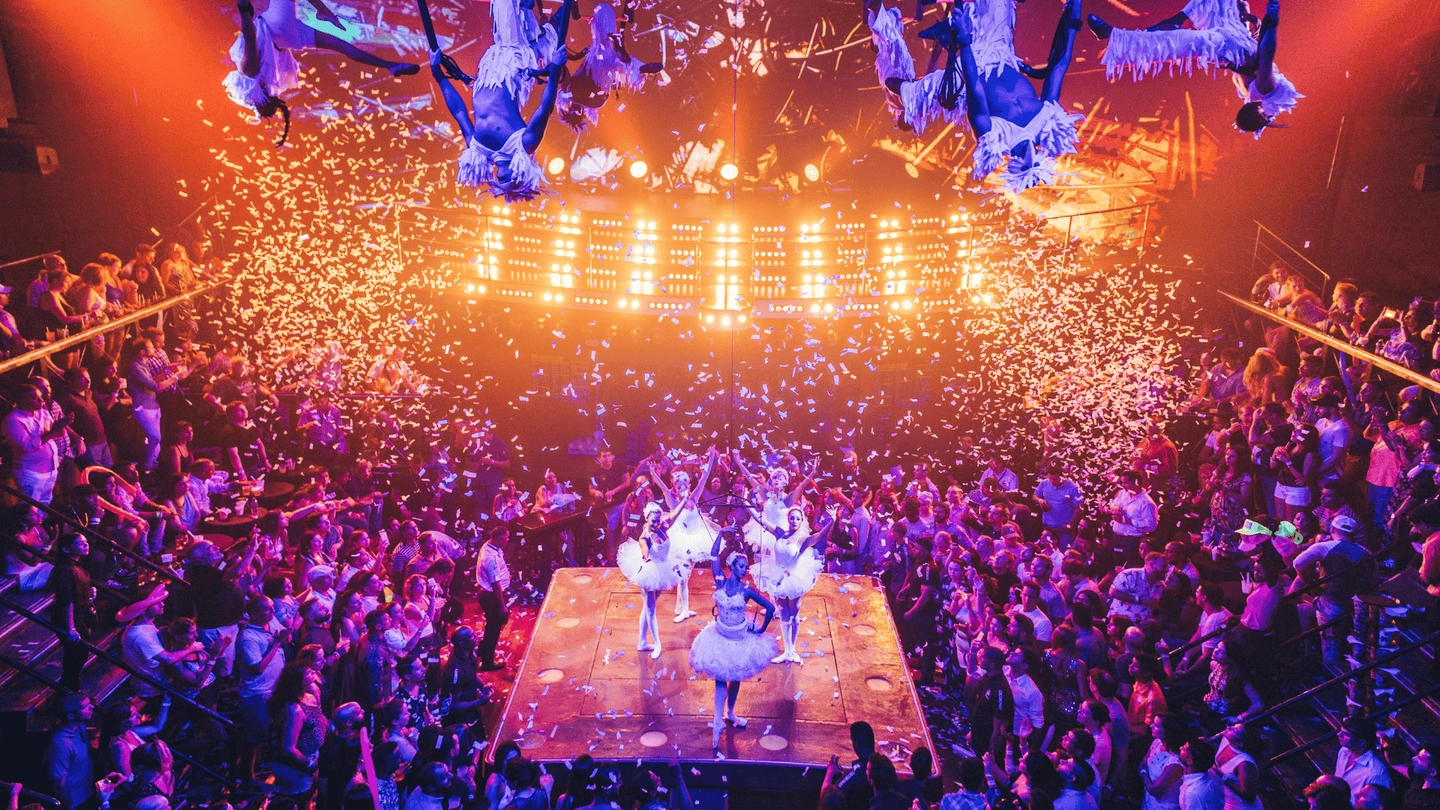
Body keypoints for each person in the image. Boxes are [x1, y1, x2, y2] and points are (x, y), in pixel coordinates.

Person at [428, 0, 576, 202]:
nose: (504, 179)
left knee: (541, 37)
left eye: (502, 181)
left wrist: (437, 73)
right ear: (519, 175)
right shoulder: (524, 144)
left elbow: (458, 111)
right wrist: (556, 69)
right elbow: (545, 109)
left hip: (490, 67)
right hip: (511, 61)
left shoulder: (477, 149)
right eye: (511, 182)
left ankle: (559, 10)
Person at [223, 0, 417, 145]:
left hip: (287, 37)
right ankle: (323, 12)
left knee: (341, 46)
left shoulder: (264, 78)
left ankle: (390, 66)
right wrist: (243, 9)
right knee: (340, 45)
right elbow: (249, 36)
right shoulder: (249, 70)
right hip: (278, 26)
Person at [955, 0, 1085, 191]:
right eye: (1035, 164)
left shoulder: (995, 137)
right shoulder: (1047, 124)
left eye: (1025, 167)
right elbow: (1058, 67)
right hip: (1001, 50)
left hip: (974, 59)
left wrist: (964, 42)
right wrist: (1073, 17)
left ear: (1013, 167)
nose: (1030, 159)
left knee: (917, 94)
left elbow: (975, 88)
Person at [690, 530, 777, 750]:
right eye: (741, 566)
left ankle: (729, 713)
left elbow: (770, 608)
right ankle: (718, 721)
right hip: (720, 636)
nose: (744, 570)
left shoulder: (746, 590)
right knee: (721, 677)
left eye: (746, 567)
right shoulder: (720, 581)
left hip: (739, 638)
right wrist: (720, 533)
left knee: (735, 675)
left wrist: (760, 630)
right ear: (731, 566)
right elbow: (713, 555)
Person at [557, 2, 662, 130]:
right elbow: (562, 71)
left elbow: (563, 72)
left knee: (617, 61)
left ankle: (639, 68)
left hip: (601, 66)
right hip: (601, 69)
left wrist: (557, 63)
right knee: (617, 62)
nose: (576, 110)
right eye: (577, 113)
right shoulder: (579, 96)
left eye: (573, 111)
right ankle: (639, 68)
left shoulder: (574, 94)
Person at [747, 497, 827, 664]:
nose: (794, 521)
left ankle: (793, 649)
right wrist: (746, 504)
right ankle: (788, 651)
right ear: (788, 519)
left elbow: (819, 535)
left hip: (794, 577)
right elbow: (761, 520)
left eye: (797, 518)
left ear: (802, 520)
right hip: (777, 575)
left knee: (794, 614)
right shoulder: (779, 533)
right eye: (792, 518)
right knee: (783, 613)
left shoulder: (802, 540)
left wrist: (832, 520)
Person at [618, 501, 686, 658]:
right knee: (651, 609)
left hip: (662, 569)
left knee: (647, 608)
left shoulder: (663, 526)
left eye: (658, 520)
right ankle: (657, 644)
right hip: (649, 571)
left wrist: (685, 499)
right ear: (646, 518)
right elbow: (644, 549)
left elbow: (675, 514)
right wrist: (645, 557)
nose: (656, 523)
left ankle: (642, 642)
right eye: (653, 521)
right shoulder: (644, 537)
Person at [1226, 0, 1301, 136]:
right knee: (1261, 59)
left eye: (1263, 118)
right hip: (1240, 43)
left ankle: (1270, 18)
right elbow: (1253, 54)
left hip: (1241, 45)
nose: (1267, 116)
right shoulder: (1253, 91)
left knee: (1260, 59)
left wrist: (1269, 21)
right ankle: (1270, 17)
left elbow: (1262, 57)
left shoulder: (1257, 92)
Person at [3, 383, 69, 503]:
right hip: (31, 473)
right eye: (35, 398)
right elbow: (26, 446)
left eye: (40, 397)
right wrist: (54, 430)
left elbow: (57, 435)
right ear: (22, 401)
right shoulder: (12, 420)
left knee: (45, 502)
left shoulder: (42, 413)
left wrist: (62, 425)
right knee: (31, 507)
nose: (40, 400)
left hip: (51, 469)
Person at [51, 532, 97, 690]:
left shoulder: (78, 565)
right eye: (80, 543)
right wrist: (71, 627)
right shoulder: (65, 569)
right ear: (66, 549)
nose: (86, 545)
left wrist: (89, 591)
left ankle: (71, 687)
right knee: (75, 654)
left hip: (79, 614)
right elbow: (67, 599)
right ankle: (69, 689)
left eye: (86, 542)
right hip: (69, 618)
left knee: (79, 654)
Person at [44, 693, 96, 810]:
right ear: (71, 716)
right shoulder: (61, 744)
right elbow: (58, 786)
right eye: (85, 706)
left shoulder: (81, 728)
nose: (92, 707)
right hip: (77, 802)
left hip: (88, 793)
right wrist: (71, 806)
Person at [475, 524, 512, 671]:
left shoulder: (489, 546)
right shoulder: (490, 558)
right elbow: (495, 584)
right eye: (507, 538)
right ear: (501, 539)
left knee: (491, 626)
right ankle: (487, 662)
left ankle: (483, 650)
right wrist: (502, 606)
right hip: (491, 597)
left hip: (489, 594)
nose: (508, 540)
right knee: (493, 629)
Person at [1336, 719, 1393, 798]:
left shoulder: (1376, 774)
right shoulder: (1343, 751)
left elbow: (1377, 802)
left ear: (1362, 742)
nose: (1339, 734)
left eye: (1346, 734)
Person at [1178, 739, 1225, 810]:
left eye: (1184, 749)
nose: (1180, 748)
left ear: (1189, 761)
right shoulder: (1211, 771)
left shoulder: (1193, 793)